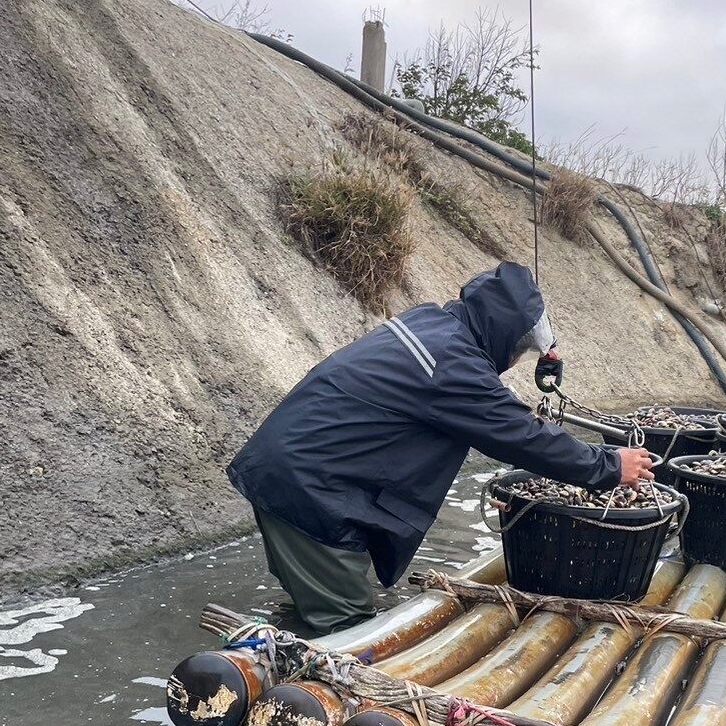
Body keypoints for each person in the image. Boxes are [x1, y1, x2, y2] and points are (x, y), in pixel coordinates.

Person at [227, 262, 654, 631]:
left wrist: (541, 359)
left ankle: (281, 645)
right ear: (503, 335)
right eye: (520, 348)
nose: (516, 359)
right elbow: (519, 435)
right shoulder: (452, 363)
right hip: (310, 488)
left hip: (292, 466)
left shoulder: (430, 324)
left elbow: (467, 412)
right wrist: (610, 466)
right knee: (349, 631)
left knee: (314, 609)